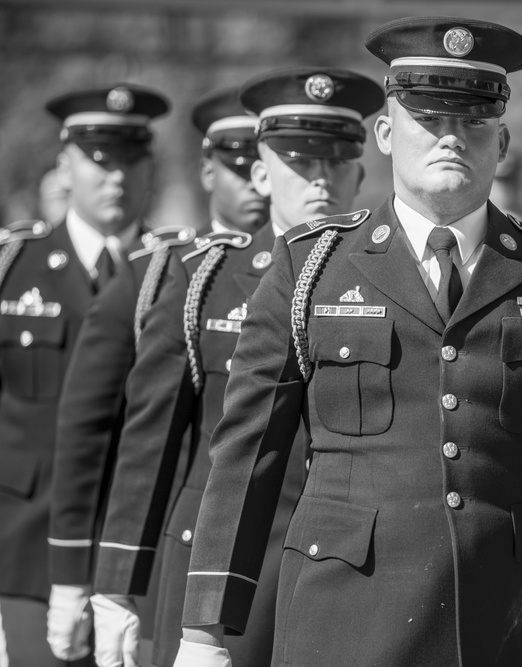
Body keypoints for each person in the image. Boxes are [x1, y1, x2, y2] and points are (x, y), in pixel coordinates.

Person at [173, 17, 522, 667]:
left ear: (503, 141)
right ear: (384, 132)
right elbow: (247, 454)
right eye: (430, 119)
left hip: (506, 620)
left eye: (474, 123)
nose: (452, 138)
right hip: (346, 620)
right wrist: (205, 628)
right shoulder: (311, 267)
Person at [88, 68, 382, 667]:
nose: (320, 179)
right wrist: (116, 580)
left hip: (341, 568)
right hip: (215, 561)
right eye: (301, 160)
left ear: (360, 169)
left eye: (336, 160)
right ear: (259, 171)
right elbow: (151, 441)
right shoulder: (205, 278)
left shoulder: (387, 279)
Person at [45, 86, 268, 666]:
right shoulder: (170, 277)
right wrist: (84, 571)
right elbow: (101, 431)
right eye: (238, 167)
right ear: (207, 170)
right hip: (183, 549)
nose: (255, 183)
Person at [0, 84, 167, 667]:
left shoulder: (182, 279)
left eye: (130, 158)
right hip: (23, 557)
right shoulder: (11, 269)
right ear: (65, 164)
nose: (115, 177)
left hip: (142, 558)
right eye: (99, 160)